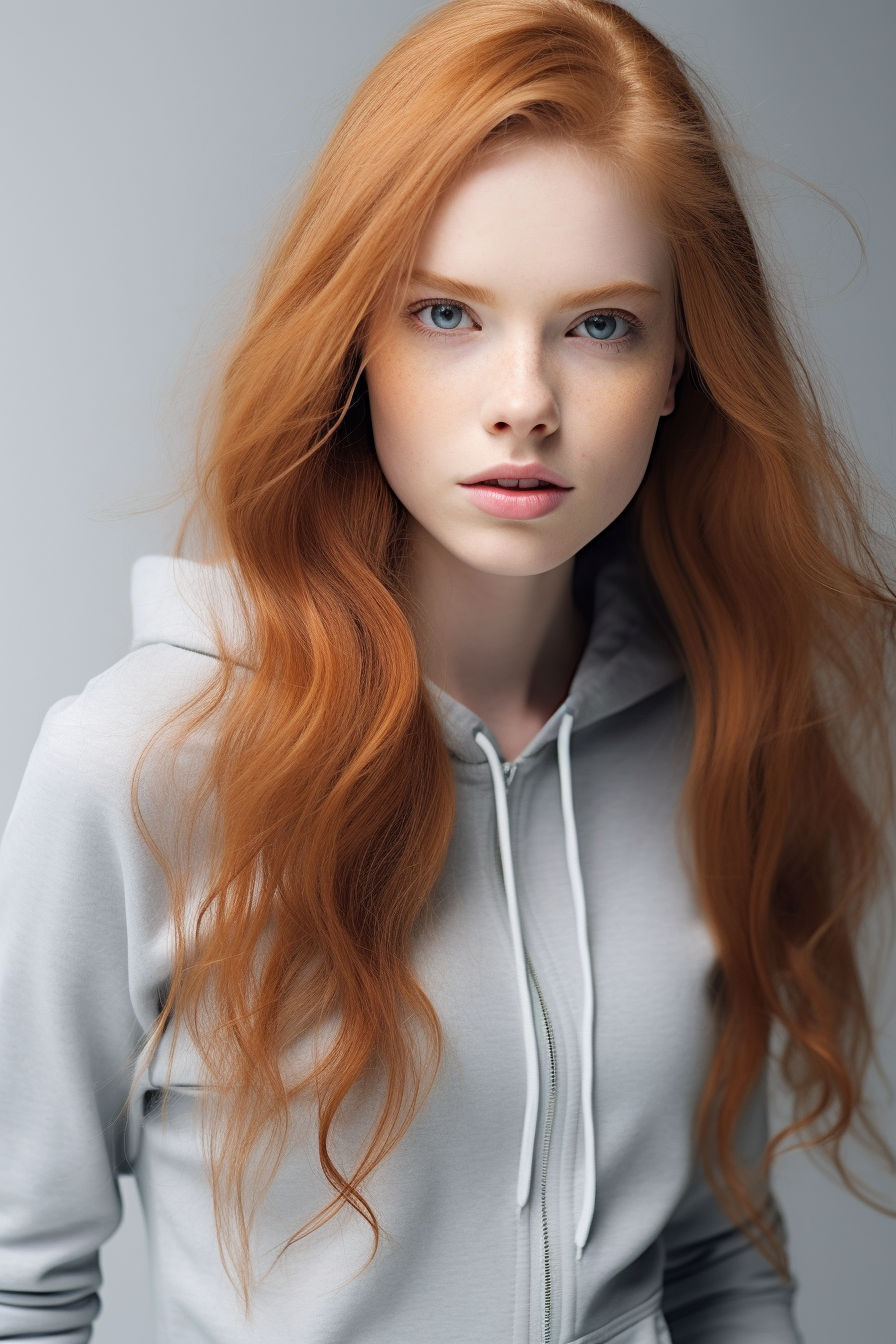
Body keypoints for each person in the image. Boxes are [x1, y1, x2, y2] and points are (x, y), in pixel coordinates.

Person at [0, 1, 893, 1340]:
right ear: (354, 341)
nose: (522, 398)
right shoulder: (140, 765)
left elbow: (716, 1265)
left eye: (601, 326)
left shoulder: (717, 736)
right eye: (446, 313)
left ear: (680, 370)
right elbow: (21, 1286)